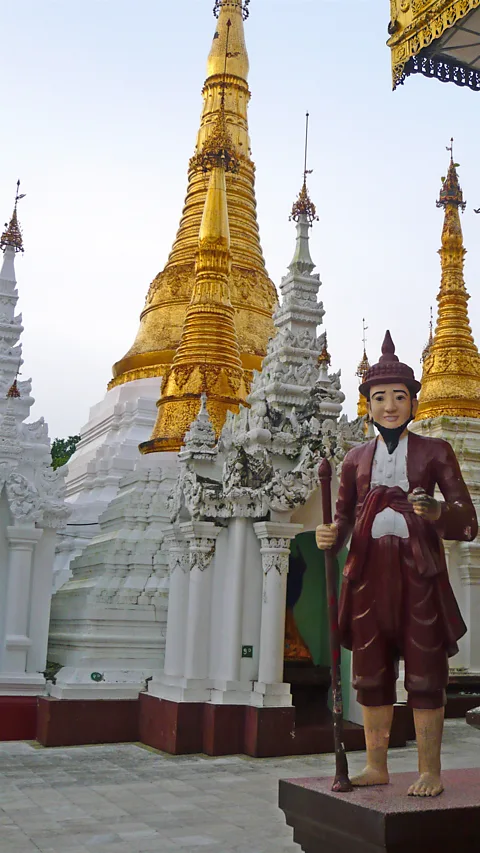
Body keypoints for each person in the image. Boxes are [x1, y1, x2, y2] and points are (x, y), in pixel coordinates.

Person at [316, 331, 477, 797]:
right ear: (366, 402)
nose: (389, 406)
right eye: (380, 397)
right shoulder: (354, 459)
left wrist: (434, 512)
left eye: (399, 397)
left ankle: (429, 770)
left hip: (418, 574)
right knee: (371, 672)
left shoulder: (435, 452)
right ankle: (376, 764)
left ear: (413, 403)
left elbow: (468, 523)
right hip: (368, 574)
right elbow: (343, 518)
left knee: (425, 675)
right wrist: (331, 535)